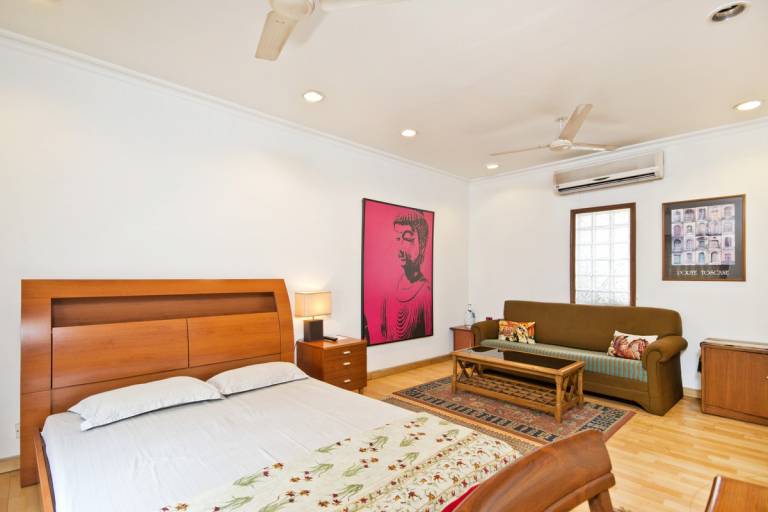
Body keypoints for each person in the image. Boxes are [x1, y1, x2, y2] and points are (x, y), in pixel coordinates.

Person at [376, 211, 432, 341]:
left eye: (408, 238)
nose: (400, 247)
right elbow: (383, 333)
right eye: (397, 239)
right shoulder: (389, 291)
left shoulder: (426, 291)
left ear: (422, 244)